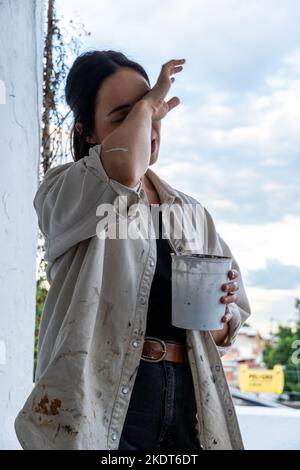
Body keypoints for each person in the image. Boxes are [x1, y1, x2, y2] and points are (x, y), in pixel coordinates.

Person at [14, 50, 251, 450]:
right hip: (100, 396)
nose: (149, 124)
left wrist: (220, 312)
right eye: (125, 114)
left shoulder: (191, 212)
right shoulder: (66, 190)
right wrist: (147, 102)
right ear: (88, 131)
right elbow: (124, 169)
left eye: (154, 112)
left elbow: (226, 327)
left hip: (187, 399)